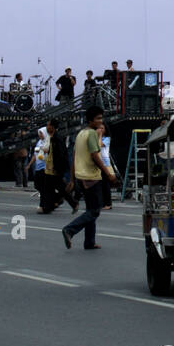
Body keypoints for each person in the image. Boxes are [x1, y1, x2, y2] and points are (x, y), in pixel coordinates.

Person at [63, 107, 116, 249]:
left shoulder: (81, 133)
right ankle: (70, 229)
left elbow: (74, 157)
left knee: (90, 209)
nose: (101, 121)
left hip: (81, 176)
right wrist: (108, 174)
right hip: (90, 176)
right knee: (95, 211)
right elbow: (95, 156)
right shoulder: (92, 134)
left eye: (101, 118)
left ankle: (89, 242)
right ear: (90, 120)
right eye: (98, 118)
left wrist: (73, 179)